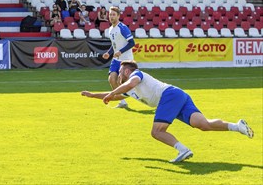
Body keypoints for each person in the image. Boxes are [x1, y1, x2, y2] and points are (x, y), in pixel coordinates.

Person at [81, 60, 254, 163]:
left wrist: (112, 92)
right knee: (203, 124)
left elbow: (128, 85)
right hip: (177, 96)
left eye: (120, 73)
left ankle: (183, 149)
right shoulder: (128, 87)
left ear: (126, 71)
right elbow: (116, 95)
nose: (118, 76)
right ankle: (237, 126)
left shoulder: (136, 75)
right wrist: (92, 95)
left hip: (170, 96)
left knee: (156, 132)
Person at [103, 6, 135, 108]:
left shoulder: (123, 28)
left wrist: (120, 52)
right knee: (112, 79)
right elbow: (114, 44)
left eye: (113, 15)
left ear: (118, 16)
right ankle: (122, 102)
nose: (111, 17)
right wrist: (109, 52)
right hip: (116, 59)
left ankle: (146, 96)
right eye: (110, 15)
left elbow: (132, 43)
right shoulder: (110, 29)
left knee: (126, 83)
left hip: (126, 60)